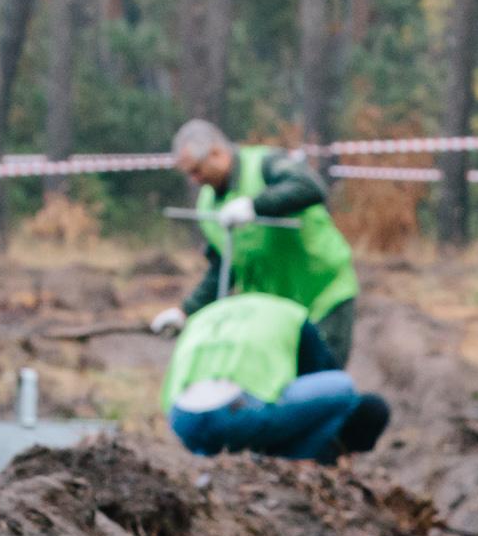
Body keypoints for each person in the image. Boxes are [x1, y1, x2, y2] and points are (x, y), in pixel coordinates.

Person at [151, 121, 360, 365]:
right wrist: (185, 311)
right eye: (189, 174)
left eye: (197, 170)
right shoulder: (208, 204)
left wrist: (255, 205)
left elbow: (310, 186)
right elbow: (224, 267)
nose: (195, 180)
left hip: (321, 295)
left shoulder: (264, 164)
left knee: (322, 380)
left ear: (216, 153)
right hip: (275, 312)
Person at [162, 292, 391, 463]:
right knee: (344, 389)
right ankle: (295, 460)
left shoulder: (206, 315)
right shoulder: (291, 315)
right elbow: (321, 373)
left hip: (184, 421)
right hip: (238, 416)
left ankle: (215, 455)